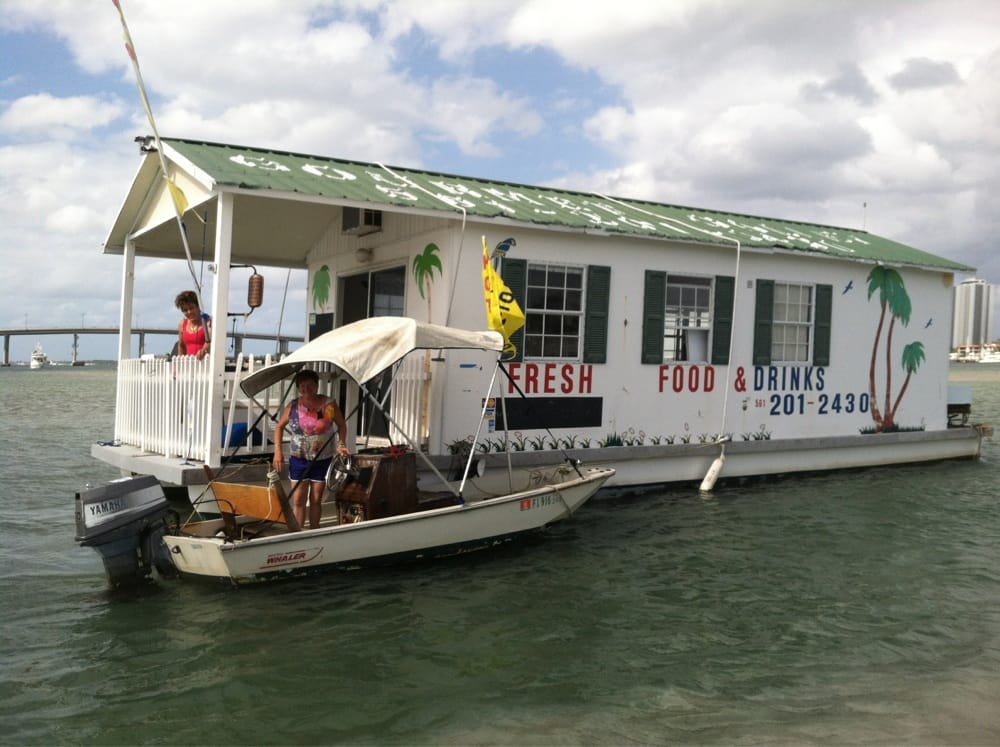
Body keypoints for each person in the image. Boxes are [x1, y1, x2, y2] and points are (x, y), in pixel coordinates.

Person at [272, 369, 349, 530]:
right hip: (298, 460)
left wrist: (341, 444)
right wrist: (278, 452)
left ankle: (314, 530)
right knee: (298, 500)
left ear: (316, 385)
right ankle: (297, 534)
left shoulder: (329, 404)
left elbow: (342, 425)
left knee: (316, 499)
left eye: (310, 385)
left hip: (322, 459)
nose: (306, 389)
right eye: (302, 386)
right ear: (298, 388)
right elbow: (279, 427)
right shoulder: (293, 406)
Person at [174, 290, 212, 360]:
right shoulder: (182, 324)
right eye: (185, 310)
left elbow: (211, 342)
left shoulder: (208, 322)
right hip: (189, 364)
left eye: (191, 308)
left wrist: (203, 350)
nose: (189, 312)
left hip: (206, 362)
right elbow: (181, 346)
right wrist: (179, 364)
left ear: (198, 306)